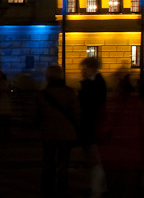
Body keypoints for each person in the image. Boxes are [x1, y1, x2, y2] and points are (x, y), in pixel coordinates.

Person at [36, 64, 78, 198]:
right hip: (66, 132)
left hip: (49, 132)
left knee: (48, 161)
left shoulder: (43, 95)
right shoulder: (70, 92)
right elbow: (77, 113)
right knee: (64, 162)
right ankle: (62, 189)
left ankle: (47, 189)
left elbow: (37, 115)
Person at [78, 56, 108, 195]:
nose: (82, 72)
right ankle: (97, 186)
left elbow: (91, 105)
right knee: (92, 159)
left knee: (95, 159)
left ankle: (98, 188)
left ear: (92, 68)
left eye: (84, 69)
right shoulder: (92, 82)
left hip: (93, 126)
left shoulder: (96, 83)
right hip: (90, 125)